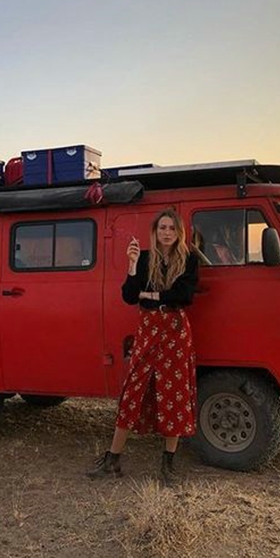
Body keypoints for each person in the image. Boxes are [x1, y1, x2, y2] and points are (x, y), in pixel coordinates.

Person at [88, 208, 199, 485]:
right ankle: (113, 460)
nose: (167, 233)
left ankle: (167, 466)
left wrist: (150, 294)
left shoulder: (189, 258)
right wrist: (133, 265)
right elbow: (128, 295)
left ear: (179, 232)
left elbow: (184, 296)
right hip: (149, 328)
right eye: (162, 228)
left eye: (172, 228)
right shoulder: (145, 257)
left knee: (173, 394)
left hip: (174, 329)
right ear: (155, 231)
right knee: (132, 391)